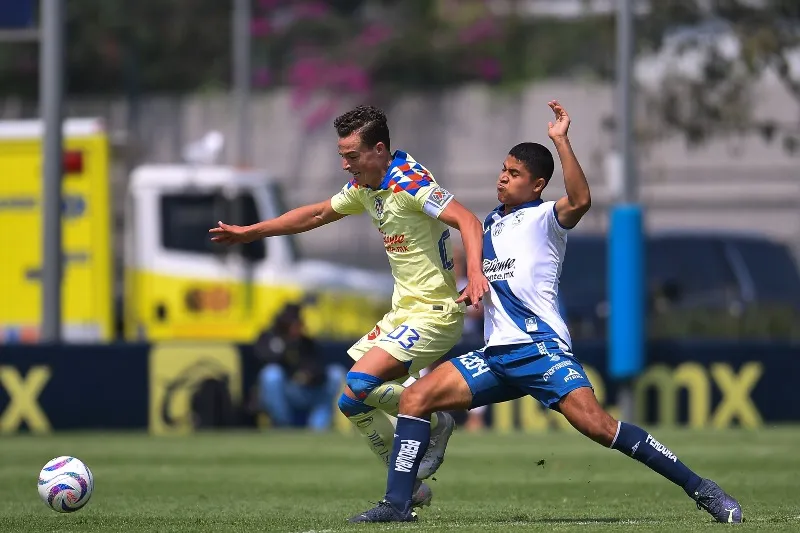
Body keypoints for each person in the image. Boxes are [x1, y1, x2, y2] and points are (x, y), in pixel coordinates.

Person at [349, 101, 743, 524]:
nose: (503, 176)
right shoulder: (490, 223)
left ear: (537, 185)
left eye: (515, 173)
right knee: (415, 397)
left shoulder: (545, 218)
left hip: (540, 351)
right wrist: (470, 288)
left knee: (599, 427)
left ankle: (703, 489)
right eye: (503, 168)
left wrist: (561, 141)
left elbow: (581, 199)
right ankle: (397, 505)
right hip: (497, 356)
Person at [210, 105, 489, 508]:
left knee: (361, 382)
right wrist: (253, 232)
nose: (345, 165)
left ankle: (431, 414)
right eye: (342, 156)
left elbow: (468, 220)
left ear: (378, 149)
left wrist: (476, 274)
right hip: (403, 312)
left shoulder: (410, 183)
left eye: (351, 156)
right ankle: (410, 485)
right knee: (350, 401)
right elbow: (319, 212)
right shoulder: (366, 186)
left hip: (435, 312)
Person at [255, 303, 345, 431]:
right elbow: (263, 358)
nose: (297, 327)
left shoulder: (306, 343)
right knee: (271, 374)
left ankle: (317, 429)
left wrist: (308, 374)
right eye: (292, 324)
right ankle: (283, 427)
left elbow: (318, 368)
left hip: (306, 390)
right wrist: (285, 346)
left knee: (335, 372)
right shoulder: (269, 338)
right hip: (283, 391)